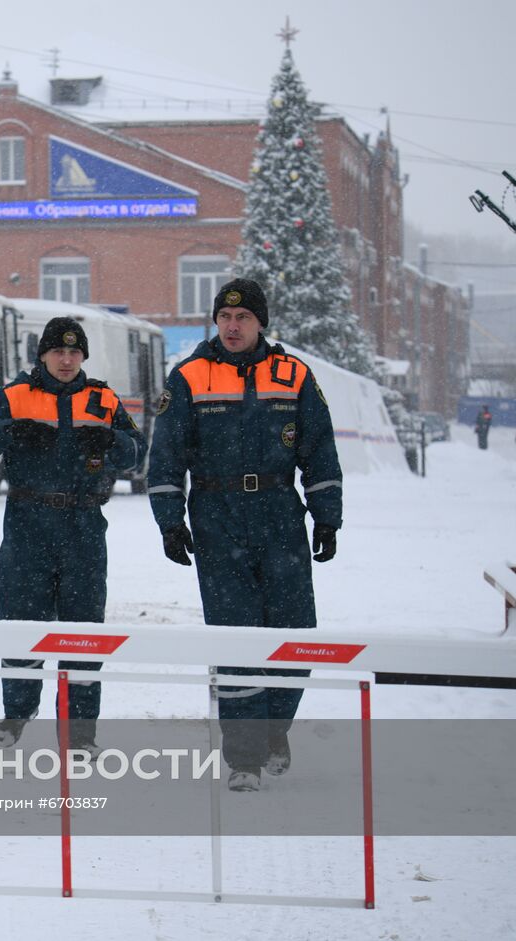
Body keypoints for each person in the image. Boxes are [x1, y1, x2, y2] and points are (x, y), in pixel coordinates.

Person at [147, 278, 342, 793]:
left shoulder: (294, 375)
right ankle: (245, 757)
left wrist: (327, 515)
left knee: (295, 635)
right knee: (235, 639)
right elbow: (166, 455)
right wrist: (170, 520)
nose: (232, 327)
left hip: (281, 514)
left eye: (243, 319)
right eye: (225, 319)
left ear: (261, 324)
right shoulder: (189, 375)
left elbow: (319, 450)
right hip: (217, 514)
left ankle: (276, 729)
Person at [0, 317, 145, 754]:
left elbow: (137, 450)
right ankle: (18, 711)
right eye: (58, 352)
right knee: (20, 623)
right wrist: (10, 430)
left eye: (75, 353)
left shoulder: (102, 398)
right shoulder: (15, 396)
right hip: (27, 521)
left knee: (83, 633)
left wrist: (110, 442)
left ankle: (79, 734)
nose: (67, 359)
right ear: (42, 356)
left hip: (83, 525)